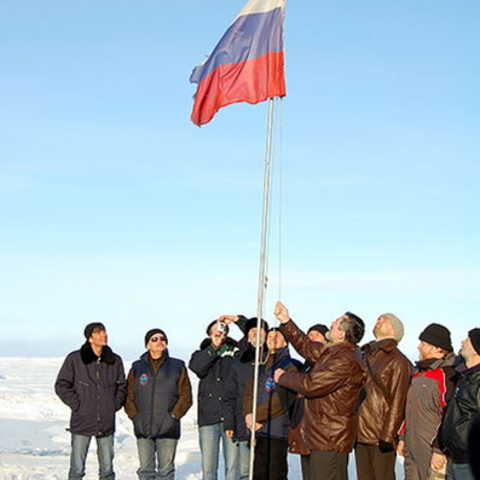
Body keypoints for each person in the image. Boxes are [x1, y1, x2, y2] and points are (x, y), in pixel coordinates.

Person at [273, 301, 366, 480]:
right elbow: (306, 347)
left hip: (330, 438)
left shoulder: (345, 359)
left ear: (342, 333)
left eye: (337, 322)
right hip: (318, 436)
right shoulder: (333, 353)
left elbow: (312, 384)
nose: (331, 323)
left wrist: (283, 377)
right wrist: (286, 321)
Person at [55, 322, 127, 480]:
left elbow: (122, 386)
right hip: (82, 421)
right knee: (77, 470)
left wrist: (113, 405)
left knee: (107, 470)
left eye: (104, 331)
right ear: (90, 338)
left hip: (106, 422)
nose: (104, 335)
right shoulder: (75, 359)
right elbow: (61, 385)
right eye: (98, 332)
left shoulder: (114, 360)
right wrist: (78, 404)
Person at [125, 328, 193, 480]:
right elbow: (129, 395)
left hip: (168, 427)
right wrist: (136, 417)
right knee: (145, 471)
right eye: (154, 339)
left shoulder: (178, 366)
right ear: (147, 345)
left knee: (166, 471)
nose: (159, 341)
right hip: (144, 427)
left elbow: (186, 396)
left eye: (162, 338)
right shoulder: (137, 367)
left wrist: (173, 417)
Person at [355, 313, 413, 480]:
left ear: (395, 330)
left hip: (380, 433)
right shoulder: (364, 354)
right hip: (360, 430)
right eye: (378, 318)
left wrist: (388, 435)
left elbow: (398, 400)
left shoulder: (398, 361)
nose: (378, 321)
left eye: (384, 320)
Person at [397, 323, 458, 480]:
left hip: (433, 451)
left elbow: (449, 416)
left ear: (438, 348)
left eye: (423, 344)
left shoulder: (448, 375)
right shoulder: (418, 374)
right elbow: (408, 409)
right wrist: (403, 437)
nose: (418, 347)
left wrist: (439, 449)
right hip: (412, 448)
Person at [243, 327, 301, 480]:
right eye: (269, 336)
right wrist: (249, 415)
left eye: (277, 336)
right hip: (258, 430)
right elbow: (249, 392)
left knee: (275, 473)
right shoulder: (260, 365)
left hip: (277, 429)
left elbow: (282, 400)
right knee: (258, 473)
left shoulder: (290, 365)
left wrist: (257, 416)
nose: (272, 339)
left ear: (285, 341)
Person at [189, 319, 240, 480]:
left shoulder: (235, 351)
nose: (219, 332)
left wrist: (237, 320)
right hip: (208, 417)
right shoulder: (203, 352)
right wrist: (214, 347)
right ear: (210, 334)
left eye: (222, 330)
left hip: (230, 417)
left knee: (233, 468)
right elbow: (197, 368)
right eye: (216, 330)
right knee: (209, 468)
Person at [223, 316, 269, 480]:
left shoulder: (272, 357)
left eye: (260, 331)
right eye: (252, 331)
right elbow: (230, 395)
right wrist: (229, 422)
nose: (256, 334)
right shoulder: (239, 361)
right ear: (247, 336)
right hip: (244, 423)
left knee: (266, 471)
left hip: (269, 427)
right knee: (244, 471)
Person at [440, 328, 480, 480]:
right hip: (453, 456)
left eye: (467, 340)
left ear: (476, 349)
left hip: (469, 460)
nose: (462, 341)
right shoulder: (463, 376)